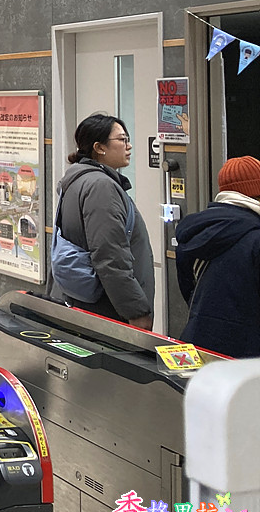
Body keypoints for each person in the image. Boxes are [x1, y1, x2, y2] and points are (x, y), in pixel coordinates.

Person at [48, 113, 154, 328]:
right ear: (99, 147)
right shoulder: (100, 186)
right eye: (122, 139)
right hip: (106, 307)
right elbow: (110, 256)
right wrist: (136, 311)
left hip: (85, 302)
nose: (129, 146)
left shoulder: (79, 180)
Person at [174, 156, 260, 357]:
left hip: (198, 343)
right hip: (248, 354)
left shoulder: (198, 231)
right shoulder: (255, 237)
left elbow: (189, 289)